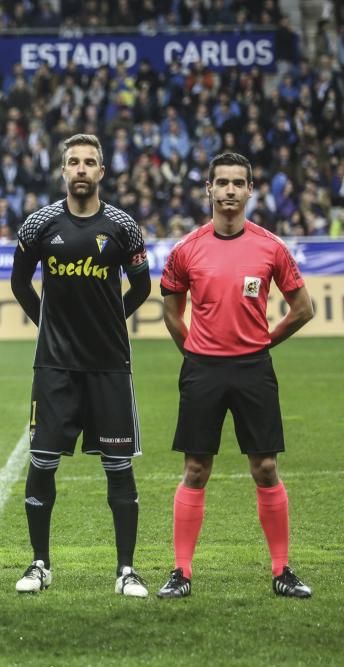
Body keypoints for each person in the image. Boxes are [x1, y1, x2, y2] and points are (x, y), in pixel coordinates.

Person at [157, 152, 315, 599]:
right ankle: (181, 572)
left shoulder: (271, 247)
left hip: (253, 368)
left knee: (265, 467)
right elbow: (171, 311)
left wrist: (265, 342)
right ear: (208, 189)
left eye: (237, 183)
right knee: (195, 469)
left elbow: (303, 309)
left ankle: (282, 570)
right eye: (221, 182)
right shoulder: (187, 249)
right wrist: (192, 349)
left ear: (249, 190)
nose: (229, 190)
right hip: (203, 368)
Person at [10, 133, 152, 598]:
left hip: (110, 364)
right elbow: (18, 284)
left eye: (90, 161)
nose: (82, 169)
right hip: (55, 366)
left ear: (102, 172)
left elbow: (142, 287)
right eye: (74, 161)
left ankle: (126, 570)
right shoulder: (38, 226)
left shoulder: (123, 227)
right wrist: (45, 322)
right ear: (63, 170)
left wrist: (113, 321)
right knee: (43, 461)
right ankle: (39, 564)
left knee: (118, 465)